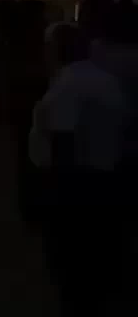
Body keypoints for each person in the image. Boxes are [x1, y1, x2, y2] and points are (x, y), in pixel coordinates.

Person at [30, 21, 129, 317]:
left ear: (57, 50)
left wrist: (57, 193)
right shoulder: (102, 78)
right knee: (98, 253)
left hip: (79, 183)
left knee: (75, 261)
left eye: (48, 47)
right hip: (104, 175)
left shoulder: (69, 86)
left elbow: (64, 140)